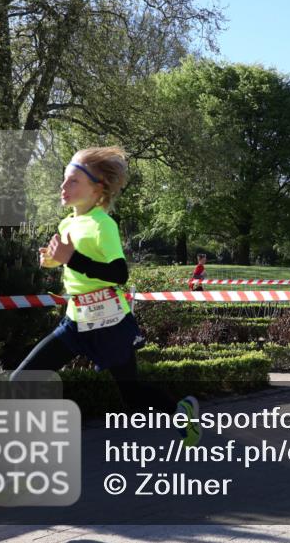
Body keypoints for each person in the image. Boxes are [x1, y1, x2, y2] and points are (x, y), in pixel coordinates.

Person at [13, 147, 201, 446]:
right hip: (75, 323)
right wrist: (53, 259)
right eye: (64, 180)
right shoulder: (66, 224)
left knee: (132, 394)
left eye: (73, 181)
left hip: (109, 324)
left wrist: (71, 258)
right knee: (21, 381)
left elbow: (118, 274)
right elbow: (71, 263)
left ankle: (181, 412)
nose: (63, 187)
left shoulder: (103, 224)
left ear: (97, 188)